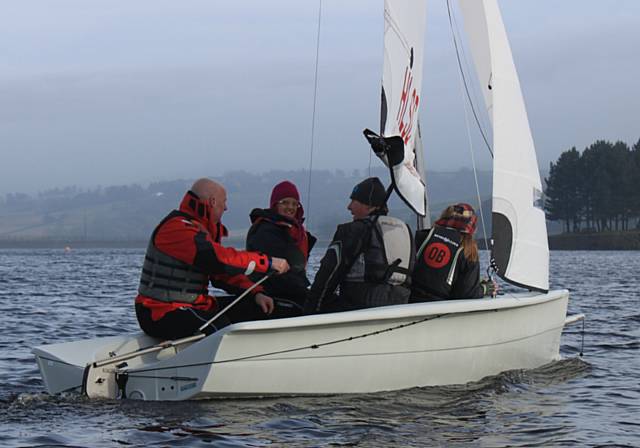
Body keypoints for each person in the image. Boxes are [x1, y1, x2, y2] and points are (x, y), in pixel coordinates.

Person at [135, 178, 289, 340]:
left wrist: (255, 293)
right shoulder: (178, 228)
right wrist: (267, 262)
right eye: (225, 202)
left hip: (192, 306)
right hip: (159, 312)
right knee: (222, 330)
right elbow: (219, 260)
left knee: (257, 309)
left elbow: (220, 273)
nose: (226, 208)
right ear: (213, 202)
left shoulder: (200, 229)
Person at [304, 177, 414, 314]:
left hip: (357, 309)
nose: (349, 207)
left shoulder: (351, 231)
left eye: (354, 201)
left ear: (368, 205)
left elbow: (326, 277)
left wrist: (310, 311)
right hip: (399, 308)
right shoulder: (406, 231)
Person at [246, 181, 317, 316]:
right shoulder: (265, 230)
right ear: (274, 205)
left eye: (294, 203)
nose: (290, 207)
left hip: (292, 291)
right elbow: (288, 268)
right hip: (272, 295)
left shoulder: (297, 232)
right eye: (284, 202)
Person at [411, 203, 497, 301]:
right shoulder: (468, 249)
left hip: (410, 300)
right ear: (471, 225)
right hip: (437, 307)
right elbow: (467, 293)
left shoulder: (424, 236)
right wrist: (485, 288)